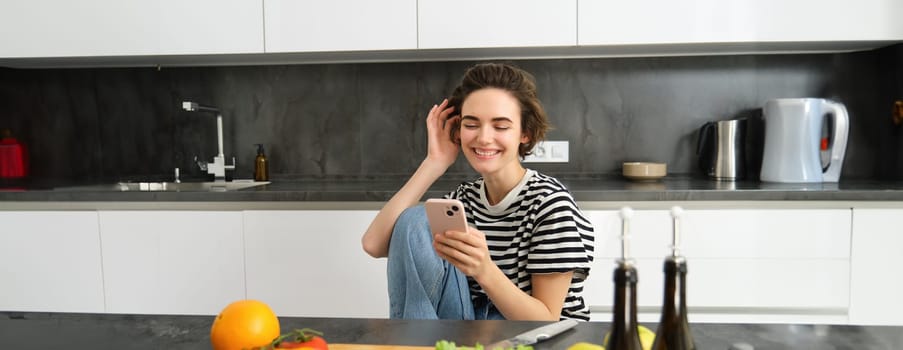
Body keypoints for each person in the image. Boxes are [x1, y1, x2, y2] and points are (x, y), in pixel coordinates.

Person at [361, 63, 594, 321]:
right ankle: (416, 341)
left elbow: (547, 318)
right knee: (414, 219)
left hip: (540, 336)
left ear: (525, 133)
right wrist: (434, 163)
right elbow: (374, 244)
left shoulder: (551, 205)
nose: (483, 138)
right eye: (471, 124)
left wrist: (484, 270)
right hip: (474, 330)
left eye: (501, 126)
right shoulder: (464, 199)